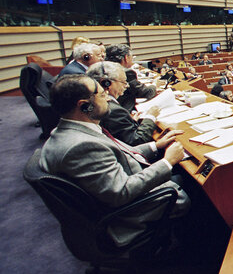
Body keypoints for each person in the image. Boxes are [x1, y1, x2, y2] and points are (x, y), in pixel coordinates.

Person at [40, 74, 188, 246]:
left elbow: (118, 153)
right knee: (193, 186)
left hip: (111, 195)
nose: (108, 100)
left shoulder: (72, 130)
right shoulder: (81, 147)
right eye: (103, 95)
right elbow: (122, 192)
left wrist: (156, 146)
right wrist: (167, 162)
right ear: (84, 106)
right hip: (125, 215)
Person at [87, 62, 159, 146]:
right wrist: (150, 117)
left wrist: (131, 121)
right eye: (123, 82)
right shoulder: (111, 109)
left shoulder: (94, 101)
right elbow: (136, 141)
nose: (127, 85)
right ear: (106, 83)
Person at [106, 43, 156, 112]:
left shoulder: (103, 69)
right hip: (125, 111)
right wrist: (155, 85)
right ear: (126, 58)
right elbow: (146, 93)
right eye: (132, 57)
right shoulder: (126, 72)